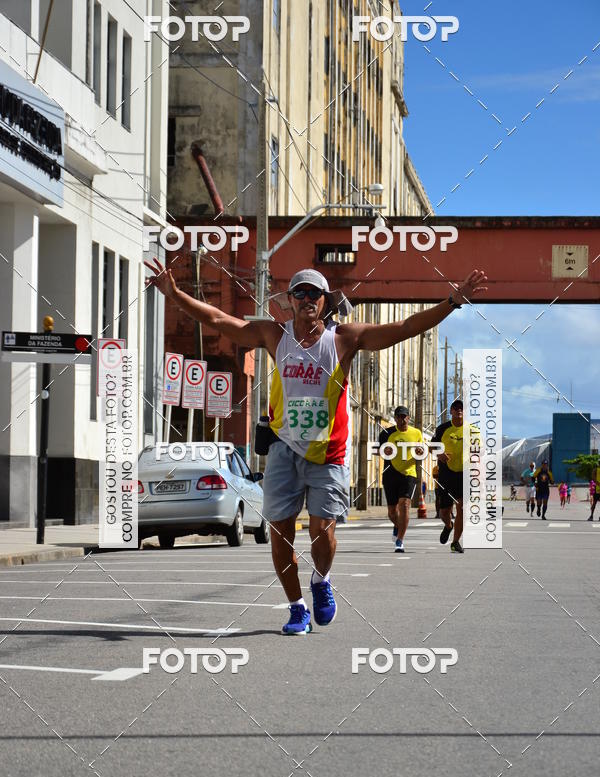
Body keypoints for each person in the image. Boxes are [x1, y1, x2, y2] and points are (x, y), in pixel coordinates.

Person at [145, 259, 487, 632]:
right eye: (300, 292)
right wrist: (175, 294)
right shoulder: (275, 335)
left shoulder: (344, 339)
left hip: (328, 454)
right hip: (283, 450)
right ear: (290, 300)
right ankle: (295, 607)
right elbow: (221, 322)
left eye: (315, 293)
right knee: (280, 533)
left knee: (322, 530)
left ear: (325, 301)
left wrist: (452, 302)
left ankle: (321, 580)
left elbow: (404, 327)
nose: (307, 298)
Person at [377, 405, 422, 553]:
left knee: (404, 505)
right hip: (390, 474)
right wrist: (385, 451)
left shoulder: (416, 433)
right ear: (395, 418)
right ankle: (397, 525)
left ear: (409, 418)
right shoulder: (386, 433)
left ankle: (400, 540)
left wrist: (420, 451)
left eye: (405, 416)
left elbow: (421, 451)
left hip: (408, 474)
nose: (402, 419)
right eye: (399, 416)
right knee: (391, 512)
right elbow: (378, 451)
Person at [433, 399, 465, 553]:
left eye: (461, 408)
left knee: (462, 507)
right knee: (444, 511)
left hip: (464, 475)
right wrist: (440, 454)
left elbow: (481, 448)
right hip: (446, 474)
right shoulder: (442, 429)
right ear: (451, 411)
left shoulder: (472, 430)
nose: (459, 410)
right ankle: (448, 525)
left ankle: (456, 542)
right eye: (456, 408)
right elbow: (432, 447)